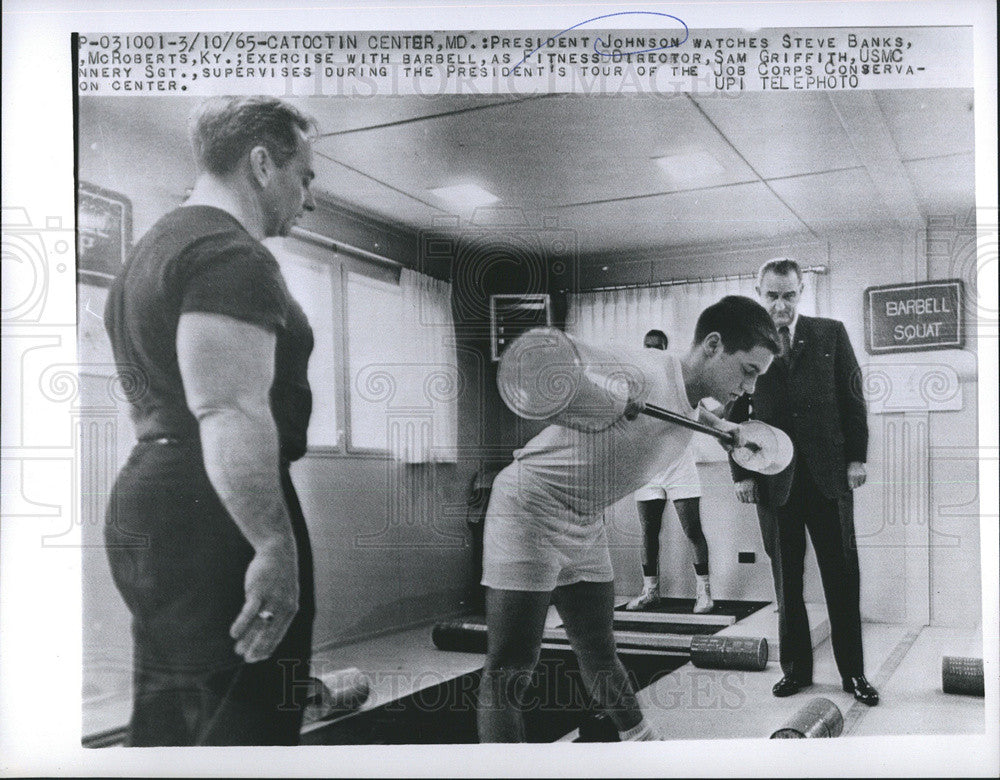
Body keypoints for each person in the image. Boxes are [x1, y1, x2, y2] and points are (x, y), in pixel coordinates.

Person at [103, 96, 319, 745]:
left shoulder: (149, 251)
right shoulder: (230, 254)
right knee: (247, 724)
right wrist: (273, 546)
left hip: (156, 492)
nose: (307, 198)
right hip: (215, 513)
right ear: (261, 164)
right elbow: (227, 408)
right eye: (304, 176)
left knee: (171, 724)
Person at [477, 296, 780, 742]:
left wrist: (726, 429)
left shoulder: (691, 403)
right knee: (510, 668)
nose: (750, 388)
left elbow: (688, 410)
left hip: (582, 518)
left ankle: (645, 746)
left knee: (600, 652)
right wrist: (601, 394)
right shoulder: (644, 369)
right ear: (713, 345)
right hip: (529, 506)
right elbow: (544, 363)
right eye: (747, 371)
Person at [728, 258, 878, 706]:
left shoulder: (831, 333)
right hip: (774, 482)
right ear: (759, 293)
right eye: (771, 295)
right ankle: (796, 670)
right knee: (785, 582)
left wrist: (856, 457)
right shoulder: (744, 346)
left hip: (829, 477)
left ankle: (854, 674)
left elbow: (854, 402)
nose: (780, 305)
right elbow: (735, 417)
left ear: (800, 292)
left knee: (842, 578)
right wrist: (740, 472)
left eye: (788, 295)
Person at [627, 329, 714, 614]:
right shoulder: (635, 382)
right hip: (649, 465)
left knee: (692, 529)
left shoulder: (680, 380)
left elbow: (707, 417)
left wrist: (727, 423)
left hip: (679, 464)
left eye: (658, 347)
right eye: (648, 346)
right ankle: (650, 591)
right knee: (648, 531)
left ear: (666, 349)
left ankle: (704, 593)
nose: (653, 351)